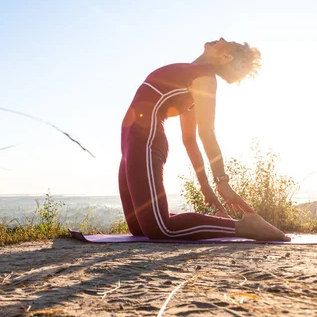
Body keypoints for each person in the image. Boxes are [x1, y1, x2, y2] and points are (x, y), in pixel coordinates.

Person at [119, 37, 290, 241]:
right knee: (139, 227)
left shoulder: (204, 77)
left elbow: (206, 133)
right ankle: (222, 223)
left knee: (160, 230)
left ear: (226, 57)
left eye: (228, 42)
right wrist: (205, 187)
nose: (221, 38)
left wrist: (221, 181)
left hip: (145, 142)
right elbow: (189, 139)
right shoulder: (190, 76)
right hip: (130, 146)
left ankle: (245, 226)